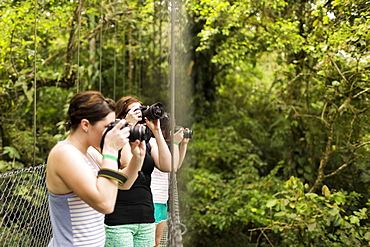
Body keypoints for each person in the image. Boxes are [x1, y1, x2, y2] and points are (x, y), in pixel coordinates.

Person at [46, 91, 146, 247]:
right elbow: (105, 204)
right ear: (85, 125)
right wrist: (111, 151)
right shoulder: (64, 154)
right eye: (108, 127)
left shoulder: (90, 152)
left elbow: (122, 183)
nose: (112, 132)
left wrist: (137, 158)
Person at [104, 96, 172, 247]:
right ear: (122, 116)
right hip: (119, 219)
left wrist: (157, 131)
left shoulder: (149, 142)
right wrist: (128, 126)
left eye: (142, 110)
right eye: (135, 111)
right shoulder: (114, 142)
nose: (141, 114)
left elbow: (168, 166)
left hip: (146, 217)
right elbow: (126, 163)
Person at [151, 113, 190, 247]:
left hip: (162, 199)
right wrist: (174, 143)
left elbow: (176, 166)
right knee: (150, 242)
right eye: (170, 128)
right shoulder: (154, 144)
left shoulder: (166, 146)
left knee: (157, 242)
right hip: (153, 198)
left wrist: (182, 145)